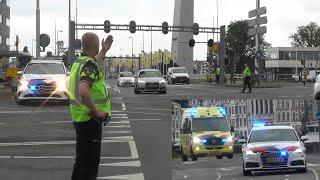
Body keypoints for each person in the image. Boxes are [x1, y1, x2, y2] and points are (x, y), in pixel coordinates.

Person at [69, 32, 113, 180]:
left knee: (81, 163)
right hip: (90, 120)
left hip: (80, 118)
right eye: (99, 46)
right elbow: (83, 90)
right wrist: (97, 112)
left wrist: (104, 51)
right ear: (95, 45)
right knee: (89, 167)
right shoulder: (89, 64)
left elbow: (93, 63)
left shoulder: (79, 62)